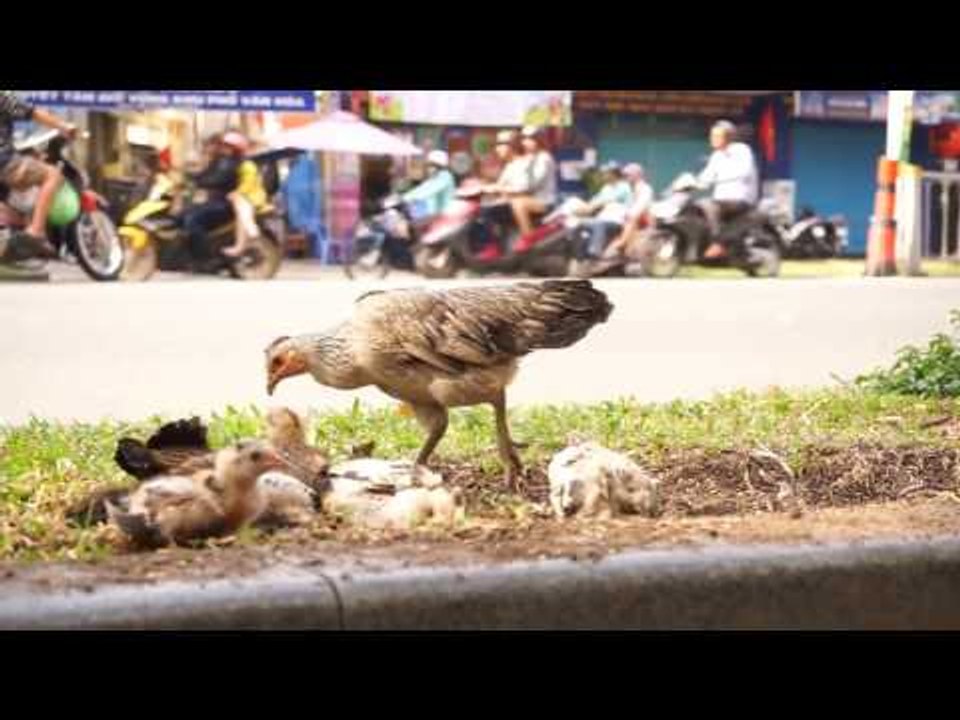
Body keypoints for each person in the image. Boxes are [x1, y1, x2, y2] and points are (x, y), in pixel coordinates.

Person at [0, 91, 78, 258]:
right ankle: (36, 231)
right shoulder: (3, 97)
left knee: (18, 198)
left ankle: (15, 241)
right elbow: (33, 113)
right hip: (4, 162)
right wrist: (64, 126)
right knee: (52, 175)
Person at [695, 119, 759, 259]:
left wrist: (718, 180)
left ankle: (719, 244)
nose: (712, 139)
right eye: (712, 136)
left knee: (708, 206)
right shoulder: (716, 156)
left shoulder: (742, 150)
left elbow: (744, 171)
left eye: (717, 136)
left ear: (728, 137)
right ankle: (712, 244)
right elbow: (707, 175)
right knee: (698, 207)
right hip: (722, 200)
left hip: (741, 199)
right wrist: (692, 182)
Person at [181, 133, 243, 267]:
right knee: (184, 214)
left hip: (224, 204)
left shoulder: (229, 163)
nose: (223, 148)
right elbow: (205, 174)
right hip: (214, 201)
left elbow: (217, 179)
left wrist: (198, 182)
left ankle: (205, 258)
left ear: (235, 149)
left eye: (227, 146)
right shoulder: (219, 160)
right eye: (223, 145)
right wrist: (189, 176)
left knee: (192, 220)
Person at [220, 131, 268, 258]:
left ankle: (253, 233)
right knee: (239, 220)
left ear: (236, 149)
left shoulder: (247, 165)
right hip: (243, 197)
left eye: (228, 147)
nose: (225, 150)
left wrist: (236, 192)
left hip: (251, 197)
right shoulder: (230, 163)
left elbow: (248, 183)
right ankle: (239, 246)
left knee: (243, 212)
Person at [575, 161, 634, 259]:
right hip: (603, 218)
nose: (604, 175)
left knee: (599, 224)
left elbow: (606, 200)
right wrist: (583, 208)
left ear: (613, 174)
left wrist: (592, 207)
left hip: (616, 221)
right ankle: (578, 254)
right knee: (577, 224)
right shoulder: (606, 188)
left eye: (606, 173)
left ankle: (595, 252)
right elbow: (595, 200)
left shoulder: (624, 187)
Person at [511, 125, 557, 235]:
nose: (526, 142)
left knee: (518, 203)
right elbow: (517, 179)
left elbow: (533, 184)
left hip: (544, 201)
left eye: (531, 138)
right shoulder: (527, 158)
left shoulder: (544, 158)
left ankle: (528, 236)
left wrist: (513, 189)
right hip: (530, 198)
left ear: (539, 139)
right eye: (524, 138)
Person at [602, 163, 655, 259]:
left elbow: (641, 205)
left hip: (642, 217)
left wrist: (630, 214)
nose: (625, 177)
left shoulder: (644, 188)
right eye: (625, 175)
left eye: (628, 175)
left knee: (631, 218)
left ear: (638, 175)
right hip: (627, 216)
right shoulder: (627, 187)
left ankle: (622, 243)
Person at [401, 149, 456, 219]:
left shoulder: (445, 176)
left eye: (431, 165)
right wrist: (404, 196)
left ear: (439, 166)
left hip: (444, 217)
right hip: (432, 214)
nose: (429, 168)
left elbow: (429, 190)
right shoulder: (434, 177)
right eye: (429, 165)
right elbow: (422, 188)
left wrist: (407, 198)